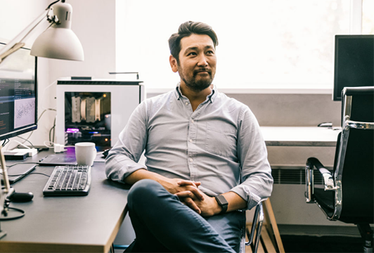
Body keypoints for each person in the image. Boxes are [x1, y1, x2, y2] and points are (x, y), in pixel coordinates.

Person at [105, 21, 273, 253]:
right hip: (161, 210)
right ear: (174, 63)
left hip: (217, 215)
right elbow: (116, 159)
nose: (203, 61)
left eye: (209, 52)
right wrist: (165, 185)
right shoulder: (149, 109)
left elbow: (261, 178)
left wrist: (216, 204)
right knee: (143, 191)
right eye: (192, 54)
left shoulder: (239, 113)